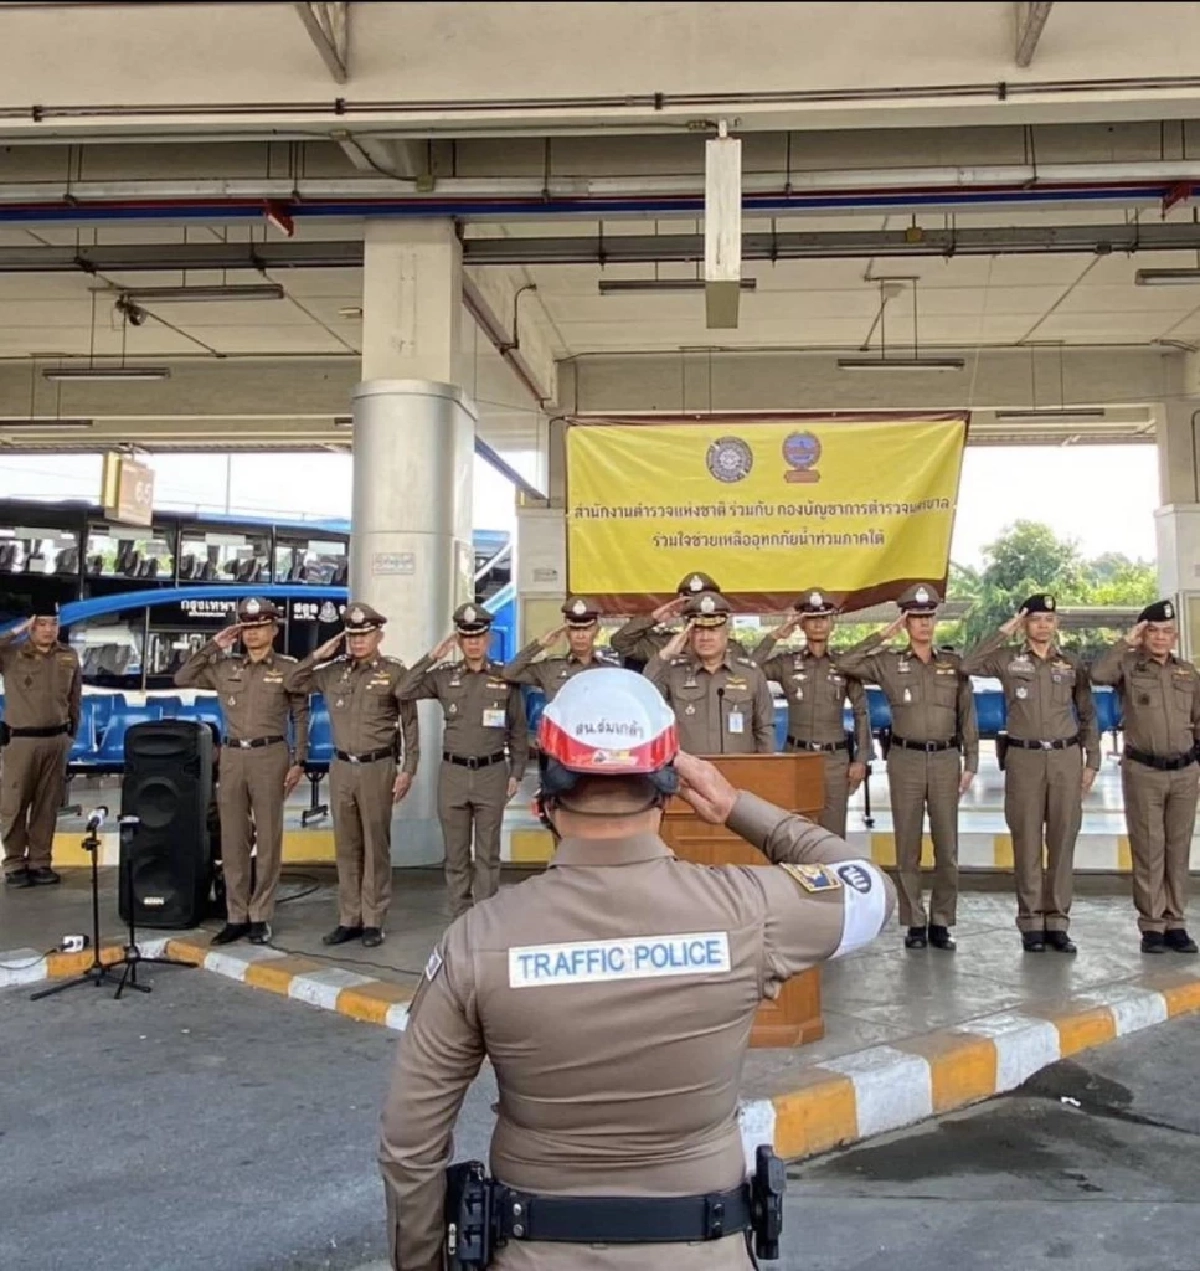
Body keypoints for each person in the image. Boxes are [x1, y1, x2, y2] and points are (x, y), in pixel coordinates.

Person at [378, 668, 896, 1271]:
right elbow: (871, 893)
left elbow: (410, 1145)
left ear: (544, 796)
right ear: (669, 788)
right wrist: (737, 807)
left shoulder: (479, 939)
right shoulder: (749, 912)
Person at [835, 584, 978, 951]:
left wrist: (971, 761)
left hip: (946, 759)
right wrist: (885, 634)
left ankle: (942, 920)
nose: (924, 625)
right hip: (905, 760)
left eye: (928, 617)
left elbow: (968, 717)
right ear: (906, 622)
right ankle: (915, 920)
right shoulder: (888, 663)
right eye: (915, 618)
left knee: (947, 846)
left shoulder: (952, 664)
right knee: (907, 844)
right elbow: (846, 662)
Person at [962, 594, 1101, 953]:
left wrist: (1093, 761)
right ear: (1025, 624)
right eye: (1035, 620)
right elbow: (968, 664)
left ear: (1056, 624)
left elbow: (1088, 715)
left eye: (1048, 620)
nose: (1043, 626)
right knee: (1026, 841)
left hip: (1065, 758)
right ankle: (1031, 922)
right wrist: (1003, 630)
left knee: (1062, 839)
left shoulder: (1070, 664)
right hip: (1024, 759)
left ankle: (1057, 921)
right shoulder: (1009, 661)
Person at [175, 597, 308, 944]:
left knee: (267, 838)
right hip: (233, 756)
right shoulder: (225, 667)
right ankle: (236, 915)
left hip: (271, 754)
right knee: (233, 838)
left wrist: (299, 760)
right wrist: (214, 645)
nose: (252, 634)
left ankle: (261, 914)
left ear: (273, 630)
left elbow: (300, 716)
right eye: (246, 627)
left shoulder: (288, 668)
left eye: (259, 627)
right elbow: (182, 676)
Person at [286, 602, 419, 948]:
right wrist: (320, 653)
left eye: (365, 635)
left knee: (376, 845)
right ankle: (349, 918)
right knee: (346, 846)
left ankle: (373, 919)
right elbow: (292, 681)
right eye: (353, 636)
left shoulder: (393, 672)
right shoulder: (332, 673)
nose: (358, 642)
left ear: (379, 636)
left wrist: (409, 768)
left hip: (378, 765)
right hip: (342, 766)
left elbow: (410, 722)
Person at [397, 603, 528, 918]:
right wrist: (433, 657)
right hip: (453, 774)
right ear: (459, 640)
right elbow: (402, 690)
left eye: (479, 637)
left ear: (488, 640)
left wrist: (517, 773)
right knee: (456, 855)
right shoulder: (444, 677)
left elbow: (518, 731)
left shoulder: (504, 678)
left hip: (492, 772)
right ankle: (459, 916)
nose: (473, 643)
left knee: (488, 854)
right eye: (467, 637)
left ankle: (485, 917)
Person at [1091, 600, 1200, 954]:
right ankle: (1152, 924)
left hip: (1184, 771)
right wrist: (1128, 641)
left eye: (1167, 632)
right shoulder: (1128, 667)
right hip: (1144, 770)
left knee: (1178, 849)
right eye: (1153, 630)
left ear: (1175, 636)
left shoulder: (1187, 673)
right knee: (1149, 848)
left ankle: (1176, 922)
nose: (1161, 638)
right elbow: (1098, 674)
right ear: (1143, 634)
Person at [753, 588, 872, 836]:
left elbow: (862, 712)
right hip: (797, 756)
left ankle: (831, 877)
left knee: (833, 833)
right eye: (811, 618)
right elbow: (750, 669)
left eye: (824, 618)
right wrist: (777, 634)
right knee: (796, 833)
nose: (818, 624)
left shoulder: (844, 663)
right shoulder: (787, 663)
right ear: (801, 624)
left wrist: (860, 759)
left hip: (835, 760)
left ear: (832, 624)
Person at [1, 607, 80, 888]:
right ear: (32, 626)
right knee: (15, 803)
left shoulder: (68, 656)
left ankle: (40, 862)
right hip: (21, 740)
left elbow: (74, 700)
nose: (49, 629)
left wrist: (71, 736)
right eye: (42, 624)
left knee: (47, 806)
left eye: (54, 624)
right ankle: (13, 863)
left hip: (56, 740)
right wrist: (16, 631)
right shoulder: (12, 654)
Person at [644, 591, 775, 754]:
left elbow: (764, 729)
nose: (705, 637)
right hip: (689, 773)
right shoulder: (673, 672)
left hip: (740, 771)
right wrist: (666, 654)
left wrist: (767, 770)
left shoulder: (750, 674)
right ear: (688, 634)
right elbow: (644, 697)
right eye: (698, 630)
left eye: (712, 629)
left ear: (726, 633)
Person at [611, 570, 745, 667]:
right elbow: (620, 643)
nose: (699, 608)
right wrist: (653, 618)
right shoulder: (666, 644)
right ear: (682, 608)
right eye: (690, 603)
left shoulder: (732, 648)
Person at [500, 595, 616, 703]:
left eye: (586, 629)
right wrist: (539, 645)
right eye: (575, 629)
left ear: (596, 631)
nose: (580, 636)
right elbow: (509, 673)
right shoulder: (550, 668)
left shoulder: (610, 669)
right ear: (567, 632)